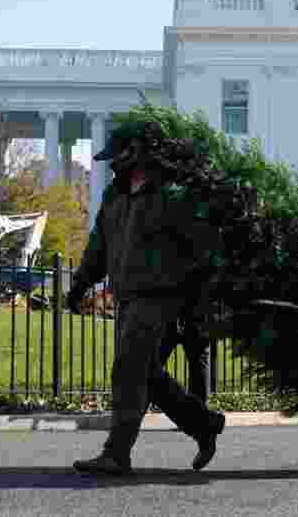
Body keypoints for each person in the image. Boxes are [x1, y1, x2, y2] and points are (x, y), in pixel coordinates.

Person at [68, 123, 225, 476]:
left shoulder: (171, 194)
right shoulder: (115, 195)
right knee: (145, 374)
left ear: (135, 155)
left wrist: (195, 301)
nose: (111, 166)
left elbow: (198, 250)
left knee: (127, 368)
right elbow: (99, 246)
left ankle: (116, 454)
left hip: (160, 296)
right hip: (127, 295)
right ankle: (204, 424)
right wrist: (80, 285)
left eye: (117, 158)